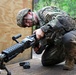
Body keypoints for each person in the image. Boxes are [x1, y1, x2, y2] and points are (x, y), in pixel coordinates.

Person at [16, 6, 76, 70]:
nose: (28, 25)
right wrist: (38, 47)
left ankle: (71, 60)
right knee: (46, 61)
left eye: (26, 21)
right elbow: (45, 44)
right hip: (60, 42)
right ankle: (72, 53)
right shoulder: (38, 28)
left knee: (68, 38)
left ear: (29, 13)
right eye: (25, 25)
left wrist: (43, 29)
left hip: (72, 31)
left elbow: (63, 20)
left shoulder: (44, 12)